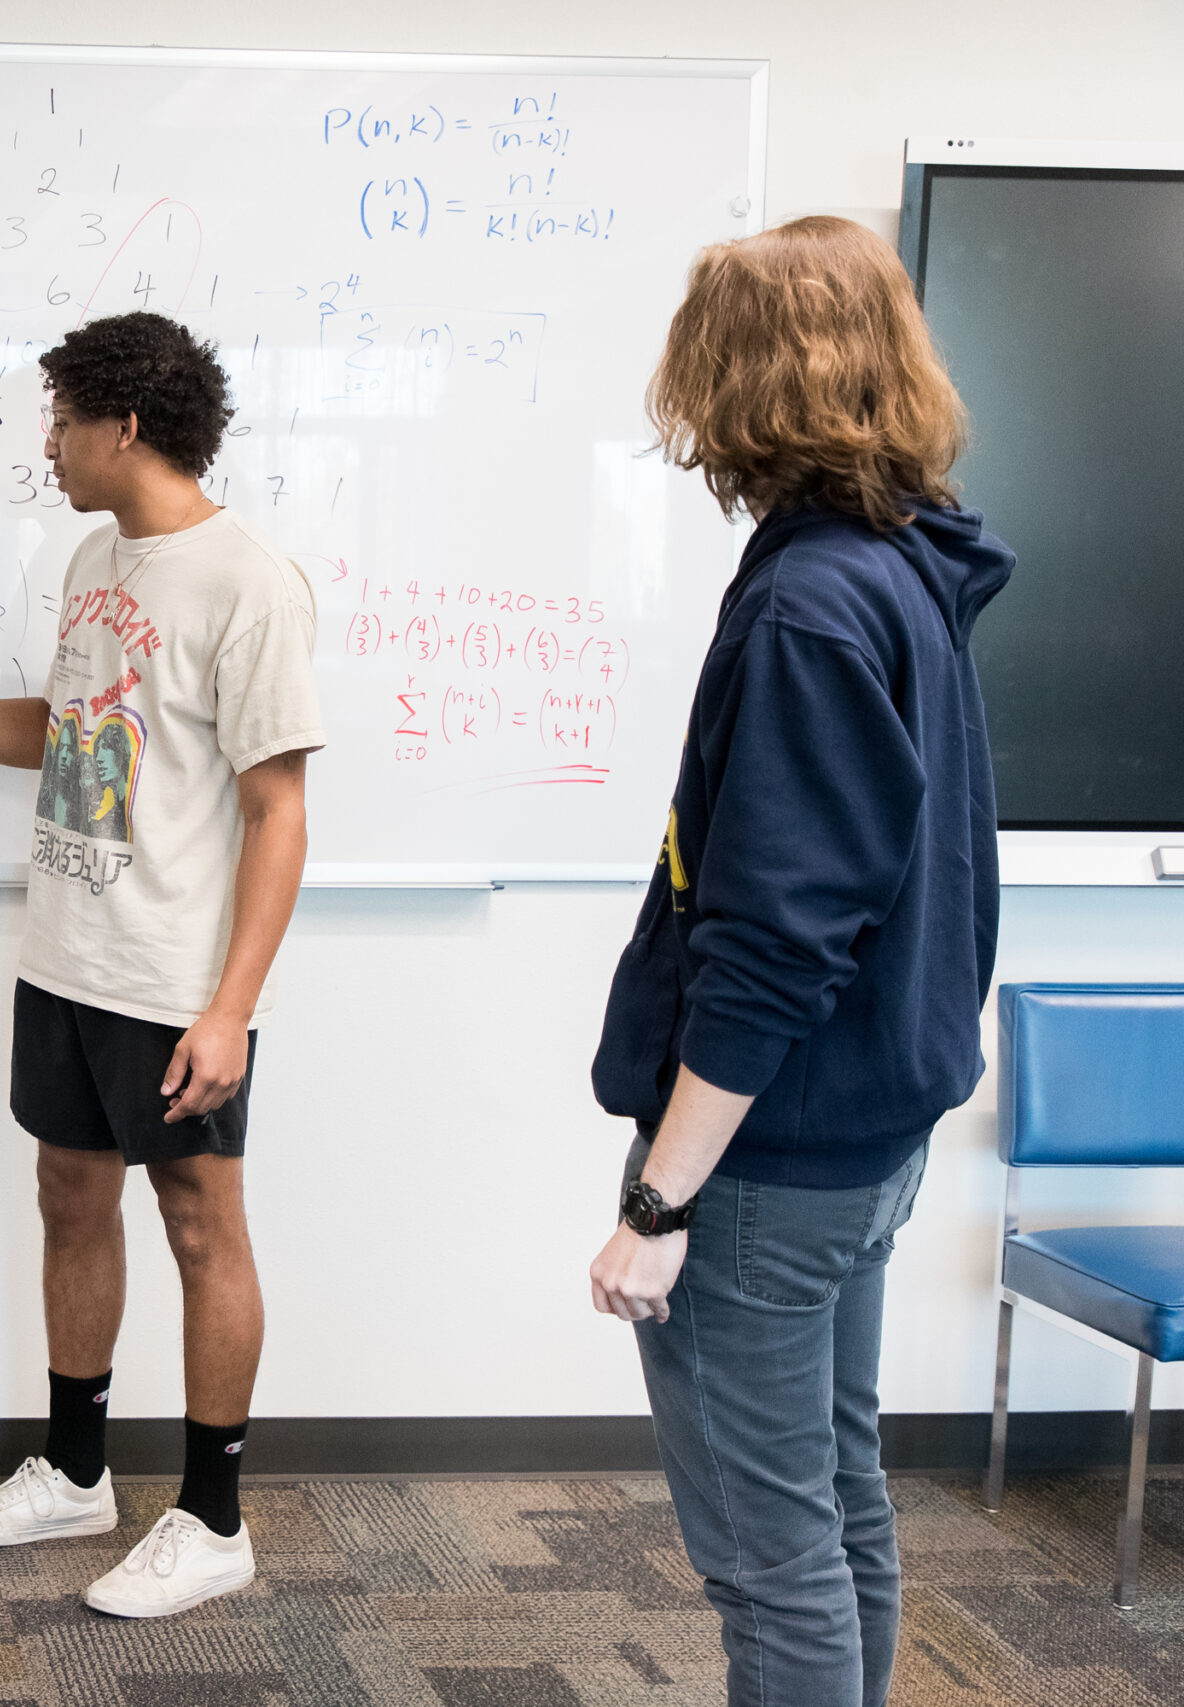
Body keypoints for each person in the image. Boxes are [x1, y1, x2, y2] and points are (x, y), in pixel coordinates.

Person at [0, 311, 320, 1619]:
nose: (47, 445)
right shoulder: (100, 555)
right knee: (68, 1193)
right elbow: (71, 732)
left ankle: (213, 1516)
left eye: (58, 419)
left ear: (123, 424)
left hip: (171, 980)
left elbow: (278, 810)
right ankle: (80, 1471)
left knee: (204, 1224)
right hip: (69, 956)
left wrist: (232, 1011)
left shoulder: (248, 582)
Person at [586, 216, 1014, 1706]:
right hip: (865, 1137)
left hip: (774, 1162)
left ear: (735, 382)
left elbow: (775, 944)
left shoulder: (813, 606)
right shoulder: (900, 569)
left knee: (775, 1564)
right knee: (835, 1506)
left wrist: (658, 1200)